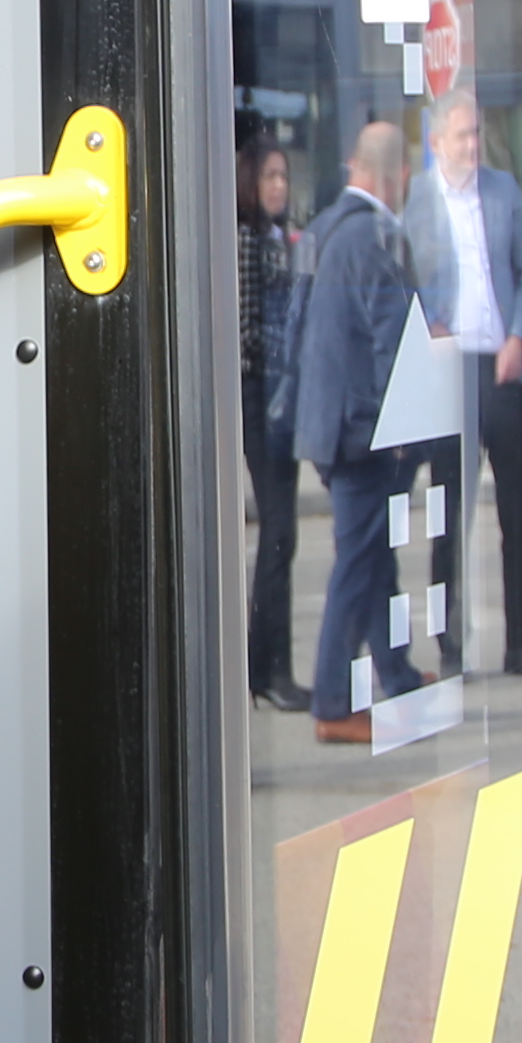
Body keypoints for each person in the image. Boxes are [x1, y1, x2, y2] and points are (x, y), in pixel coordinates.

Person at [405, 90, 522, 682]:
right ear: (437, 143)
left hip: (501, 366)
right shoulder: (418, 199)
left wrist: (520, 338)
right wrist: (428, 323)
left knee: (518, 514)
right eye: (462, 135)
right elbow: (402, 276)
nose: (472, 145)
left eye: (476, 133)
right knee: (450, 516)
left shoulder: (503, 190)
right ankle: (451, 646)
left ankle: (521, 645)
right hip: (450, 369)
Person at [292, 118, 417, 738]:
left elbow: (296, 322)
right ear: (399, 175)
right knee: (357, 562)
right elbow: (393, 341)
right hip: (362, 427)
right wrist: (404, 423)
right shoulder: (376, 236)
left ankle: (396, 673)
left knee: (372, 554)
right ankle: (334, 704)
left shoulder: (322, 227)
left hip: (325, 421)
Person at [238, 138, 306, 710]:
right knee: (278, 530)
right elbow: (245, 329)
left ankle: (267, 665)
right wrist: (290, 347)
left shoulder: (281, 239)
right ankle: (267, 668)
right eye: (269, 176)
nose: (279, 186)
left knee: (284, 535)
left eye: (284, 176)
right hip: (258, 393)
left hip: (283, 393)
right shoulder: (245, 240)